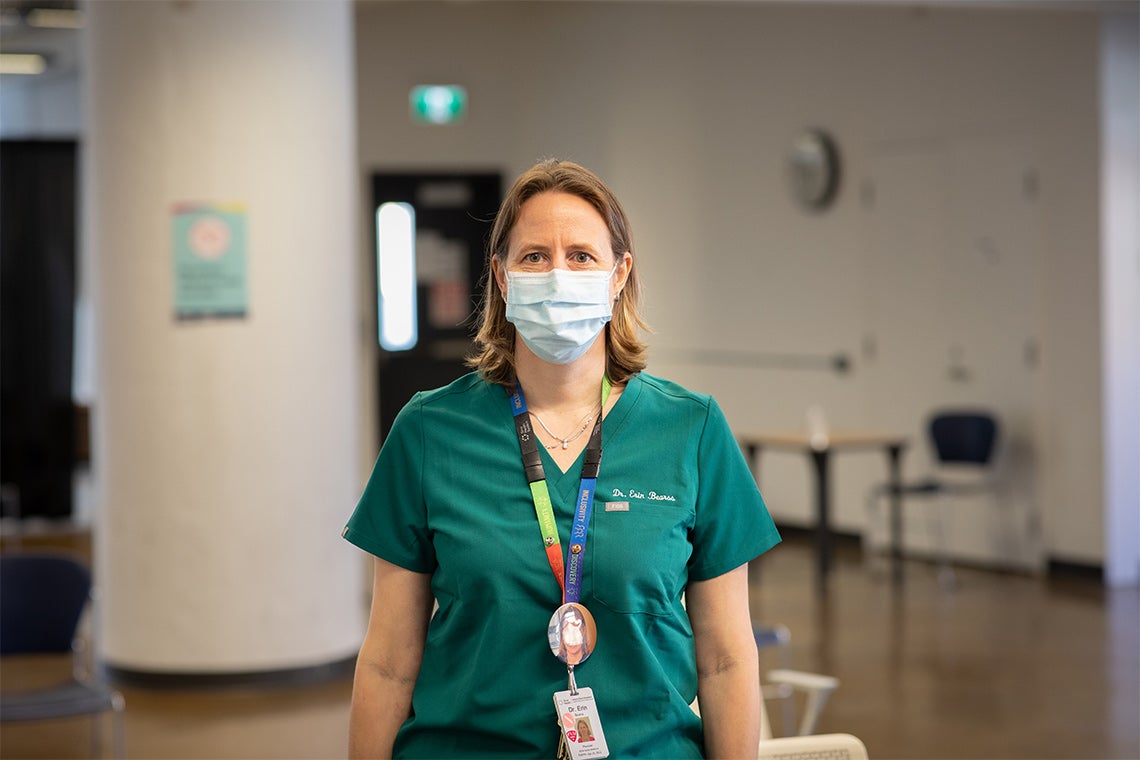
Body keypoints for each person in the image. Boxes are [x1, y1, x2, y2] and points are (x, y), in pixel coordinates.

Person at [344, 159, 780, 759]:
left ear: (619, 274)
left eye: (580, 255)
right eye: (534, 257)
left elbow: (727, 659)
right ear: (501, 277)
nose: (557, 275)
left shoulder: (690, 429)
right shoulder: (429, 431)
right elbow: (389, 663)